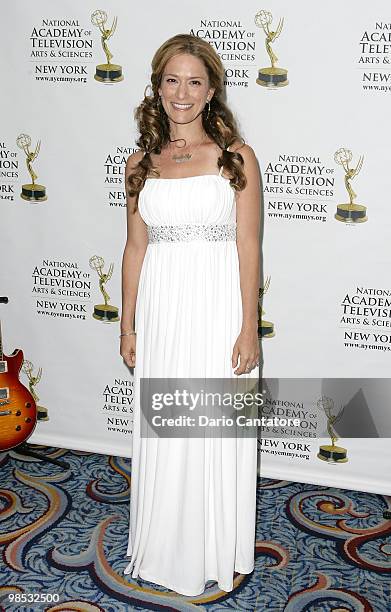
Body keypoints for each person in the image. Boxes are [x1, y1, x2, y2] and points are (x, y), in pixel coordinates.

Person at [120, 33, 262, 597]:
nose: (182, 92)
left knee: (215, 428)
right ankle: (163, 546)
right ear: (157, 87)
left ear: (211, 92)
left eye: (194, 81)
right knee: (166, 426)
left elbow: (248, 246)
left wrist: (248, 325)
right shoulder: (138, 163)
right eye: (171, 80)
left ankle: (219, 546)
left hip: (216, 305)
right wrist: (127, 325)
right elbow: (135, 249)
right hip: (162, 309)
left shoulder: (236, 159)